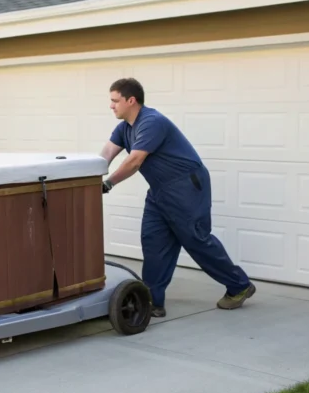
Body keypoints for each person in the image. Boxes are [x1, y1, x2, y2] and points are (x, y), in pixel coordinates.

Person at [98, 78, 255, 318]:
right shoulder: (125, 128)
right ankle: (153, 300)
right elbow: (107, 153)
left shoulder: (152, 122)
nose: (111, 106)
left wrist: (109, 183)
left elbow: (134, 161)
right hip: (159, 190)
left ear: (131, 100)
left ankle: (239, 285)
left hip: (186, 186)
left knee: (196, 240)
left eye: (114, 100)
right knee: (153, 241)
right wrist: (89, 175)